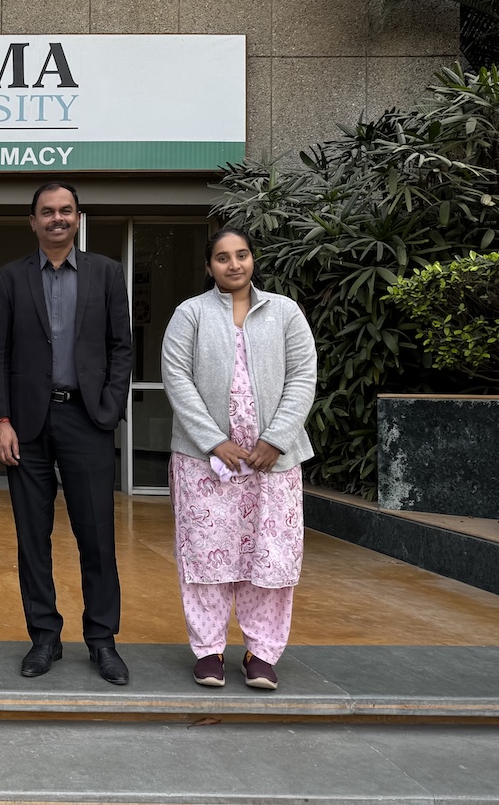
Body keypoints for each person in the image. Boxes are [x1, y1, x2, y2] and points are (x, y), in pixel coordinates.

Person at [0, 181, 134, 684]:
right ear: (33, 222)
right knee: (33, 537)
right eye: (46, 212)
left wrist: (110, 409)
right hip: (26, 426)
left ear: (77, 217)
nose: (56, 219)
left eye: (65, 211)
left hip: (87, 420)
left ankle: (102, 640)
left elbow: (122, 348)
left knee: (96, 536)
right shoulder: (8, 279)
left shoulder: (108, 274)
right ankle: (44, 637)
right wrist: (1, 420)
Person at [160, 227, 316, 691]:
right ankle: (208, 653)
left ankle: (261, 654)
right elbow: (176, 379)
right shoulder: (190, 313)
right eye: (223, 258)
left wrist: (277, 439)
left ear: (253, 259)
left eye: (242, 255)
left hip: (273, 464)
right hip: (205, 464)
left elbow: (303, 376)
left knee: (268, 559)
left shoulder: (285, 312)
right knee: (206, 558)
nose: (234, 264)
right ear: (209, 266)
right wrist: (213, 441)